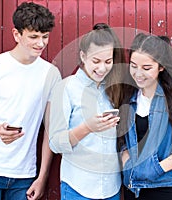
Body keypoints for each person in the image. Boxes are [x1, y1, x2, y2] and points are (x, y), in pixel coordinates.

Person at [0, 2, 61, 200]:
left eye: (45, 37)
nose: (41, 43)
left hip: (24, 175)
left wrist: (42, 177)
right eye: (34, 37)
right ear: (16, 34)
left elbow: (50, 130)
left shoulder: (51, 74)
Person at [118, 33, 172, 199]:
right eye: (133, 65)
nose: (138, 73)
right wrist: (125, 159)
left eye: (146, 68)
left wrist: (156, 168)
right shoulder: (128, 97)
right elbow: (122, 138)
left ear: (161, 67)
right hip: (133, 188)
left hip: (167, 188)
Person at [48, 24, 126, 200]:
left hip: (111, 187)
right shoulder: (66, 88)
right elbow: (55, 143)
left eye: (108, 62)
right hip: (78, 187)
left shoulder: (115, 88)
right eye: (95, 61)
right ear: (83, 56)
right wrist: (87, 128)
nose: (102, 68)